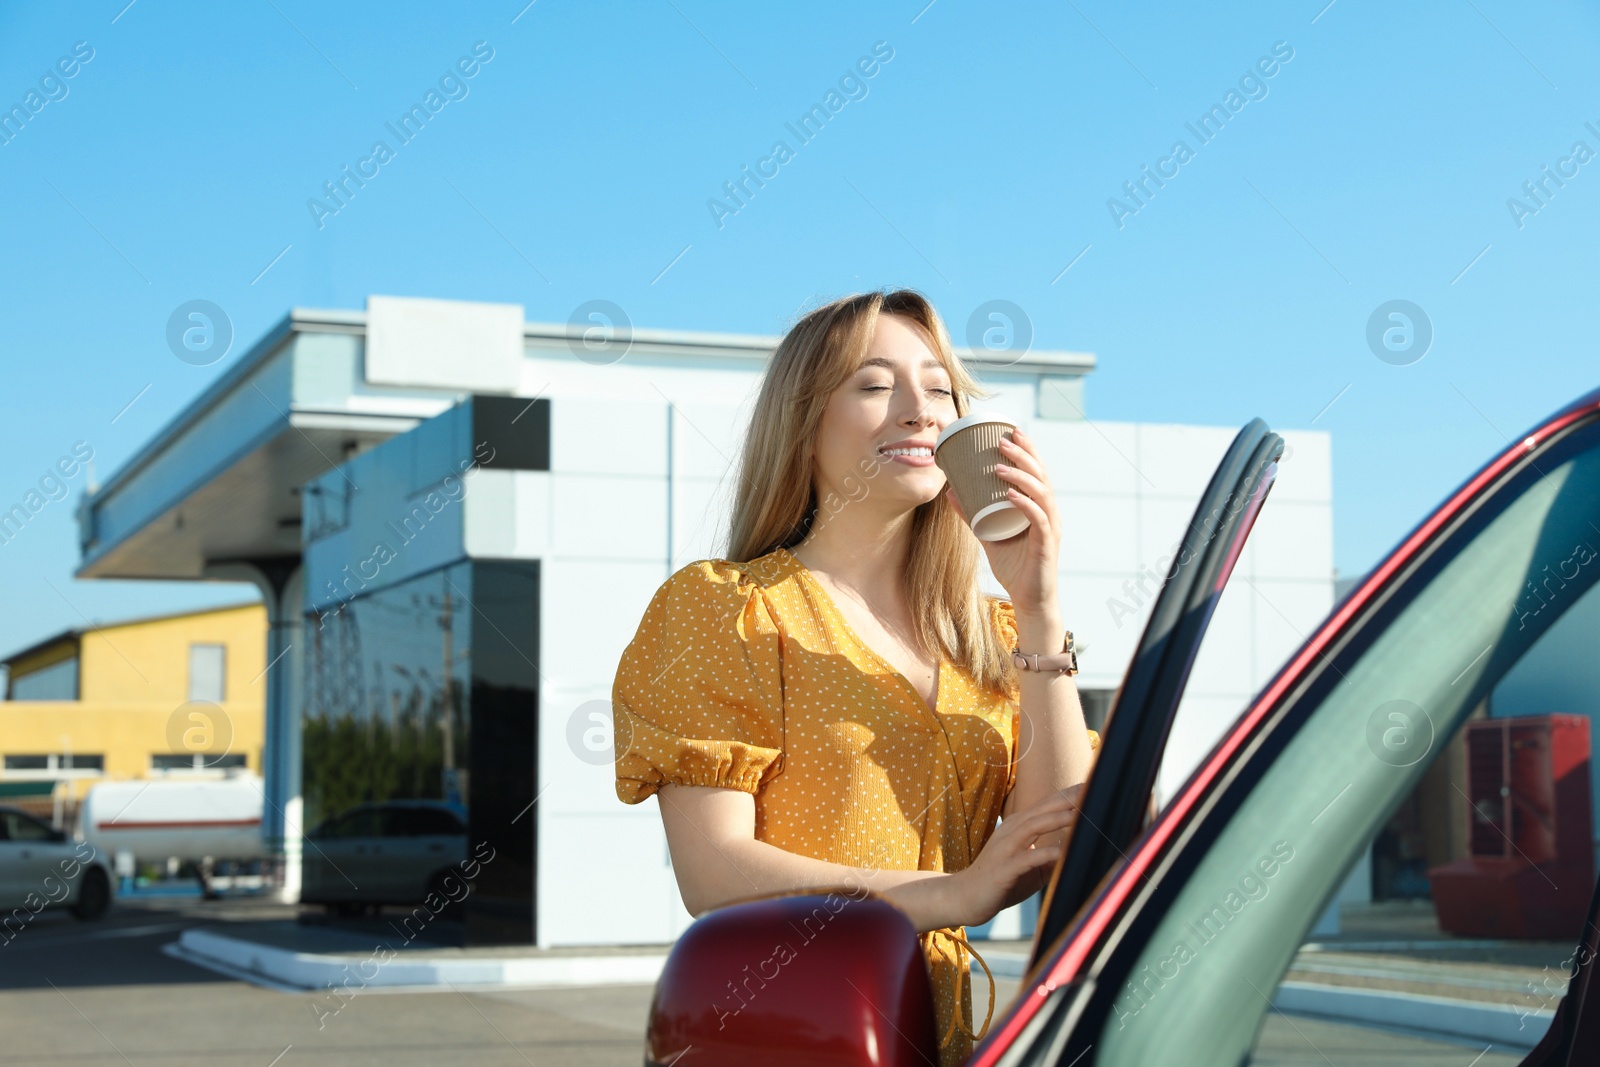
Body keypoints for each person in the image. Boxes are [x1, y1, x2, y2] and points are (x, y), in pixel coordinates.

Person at [612, 289, 1099, 1066]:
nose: (920, 410)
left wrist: (1039, 604)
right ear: (803, 424)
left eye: (939, 388)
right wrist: (957, 894)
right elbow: (713, 873)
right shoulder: (728, 610)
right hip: (794, 1038)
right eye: (875, 385)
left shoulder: (991, 635)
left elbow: (1061, 835)